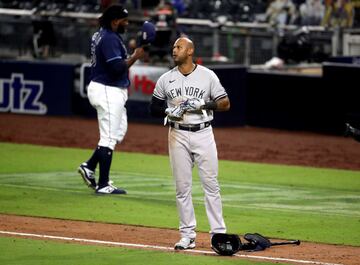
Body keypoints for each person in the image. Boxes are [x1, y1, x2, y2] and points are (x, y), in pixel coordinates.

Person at [149, 37, 230, 250]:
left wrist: (204, 103)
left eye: (179, 47)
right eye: (174, 47)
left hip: (203, 133)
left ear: (190, 51)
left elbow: (225, 103)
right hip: (177, 135)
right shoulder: (166, 79)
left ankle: (218, 235)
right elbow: (153, 107)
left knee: (211, 185)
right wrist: (167, 111)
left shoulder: (207, 75)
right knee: (182, 188)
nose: (174, 50)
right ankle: (187, 235)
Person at [78, 4, 144, 194]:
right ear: (115, 21)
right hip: (107, 89)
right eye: (124, 20)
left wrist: (131, 53)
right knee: (108, 138)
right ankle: (103, 184)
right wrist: (135, 57)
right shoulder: (108, 38)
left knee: (117, 133)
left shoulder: (104, 34)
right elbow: (116, 68)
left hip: (108, 88)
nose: (127, 23)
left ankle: (89, 166)